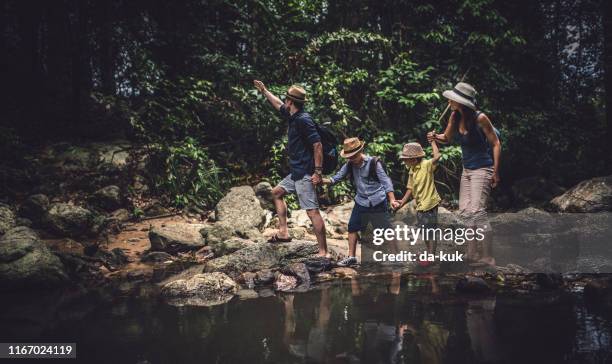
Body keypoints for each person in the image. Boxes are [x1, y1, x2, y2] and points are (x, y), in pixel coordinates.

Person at [427, 82, 501, 266]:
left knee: (478, 212)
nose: (449, 101)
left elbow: (496, 143)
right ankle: (472, 254)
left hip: (483, 169)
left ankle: (488, 257)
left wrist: (496, 172)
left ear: (461, 102)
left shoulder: (481, 118)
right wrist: (434, 137)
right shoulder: (455, 116)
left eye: (452, 99)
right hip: (467, 169)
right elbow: (446, 137)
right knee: (465, 212)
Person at [253, 80, 328, 257]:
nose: (284, 102)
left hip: (305, 173)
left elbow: (317, 145)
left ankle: (324, 252)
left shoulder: (304, 120)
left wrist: (317, 172)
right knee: (276, 192)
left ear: (290, 101)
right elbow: (277, 105)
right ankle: (284, 232)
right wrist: (264, 90)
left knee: (312, 211)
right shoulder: (292, 115)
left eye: (286, 99)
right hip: (296, 172)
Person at [322, 137, 398, 267]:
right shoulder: (349, 165)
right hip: (361, 201)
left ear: (360, 151)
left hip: (377, 201)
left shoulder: (374, 163)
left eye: (353, 156)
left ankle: (396, 257)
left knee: (386, 230)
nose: (352, 159)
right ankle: (351, 257)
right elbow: (336, 178)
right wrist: (321, 180)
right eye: (349, 157)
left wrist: (392, 199)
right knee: (352, 227)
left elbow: (386, 182)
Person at [397, 140, 441, 266]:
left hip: (430, 203)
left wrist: (432, 141)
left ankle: (432, 257)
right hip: (420, 205)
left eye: (406, 159)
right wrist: (402, 202)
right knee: (424, 230)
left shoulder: (426, 165)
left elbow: (437, 156)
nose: (404, 161)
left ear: (415, 159)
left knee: (430, 231)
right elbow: (410, 188)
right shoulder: (412, 170)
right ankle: (429, 253)